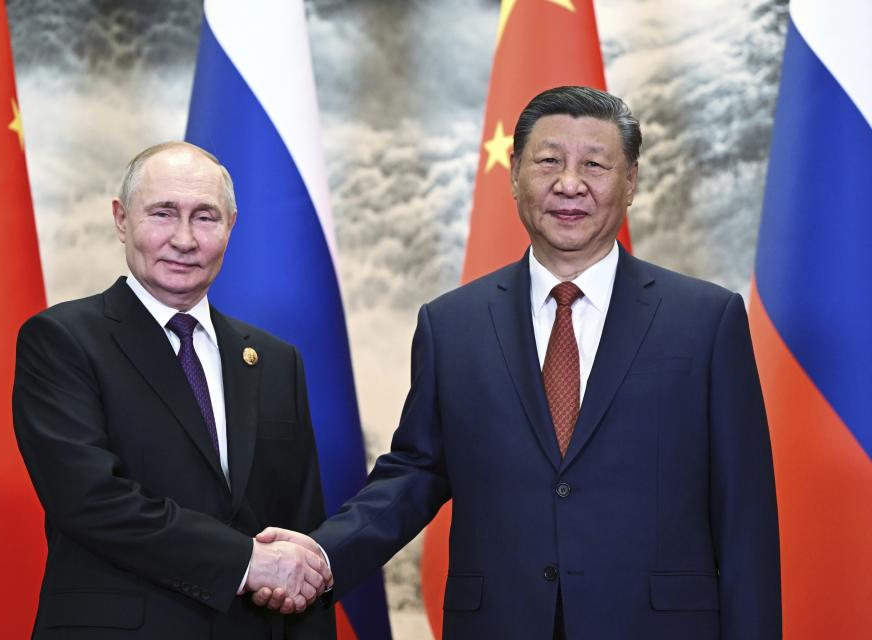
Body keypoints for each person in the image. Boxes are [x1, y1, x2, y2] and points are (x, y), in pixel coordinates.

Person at [255, 87, 782, 639]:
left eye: (595, 165)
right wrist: (321, 554)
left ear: (631, 182)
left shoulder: (705, 319)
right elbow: (414, 473)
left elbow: (744, 512)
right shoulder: (452, 324)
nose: (570, 183)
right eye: (549, 160)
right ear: (513, 175)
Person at [12, 142, 335, 639]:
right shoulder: (62, 340)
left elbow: (302, 535)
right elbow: (91, 501)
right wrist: (247, 561)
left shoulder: (275, 360)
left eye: (205, 217)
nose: (184, 239)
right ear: (122, 219)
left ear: (230, 227)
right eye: (163, 213)